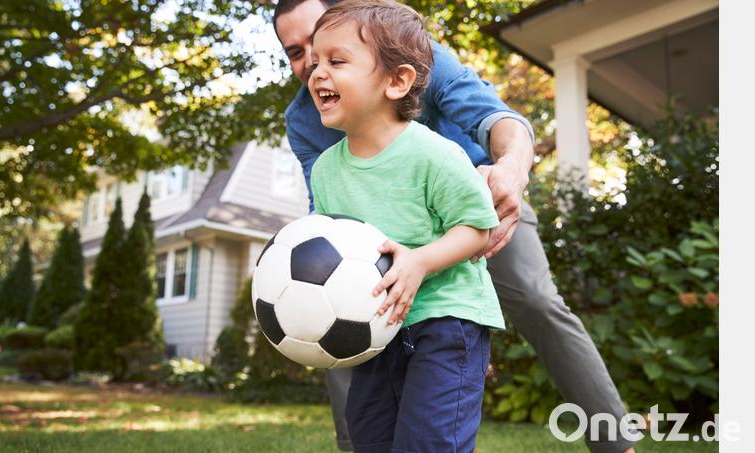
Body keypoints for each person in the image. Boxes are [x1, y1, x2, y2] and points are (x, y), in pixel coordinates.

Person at [273, 1, 637, 452]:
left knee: (536, 300)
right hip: (385, 242)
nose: (310, 61)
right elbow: (327, 221)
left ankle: (615, 442)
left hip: (475, 202)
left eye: (320, 40)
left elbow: (496, 118)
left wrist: (511, 170)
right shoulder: (303, 119)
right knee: (337, 308)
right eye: (295, 51)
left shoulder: (408, 52)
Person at [307, 2, 503, 451]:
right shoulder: (325, 171)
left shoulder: (434, 155)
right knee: (371, 439)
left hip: (446, 322)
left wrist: (419, 262)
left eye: (336, 61)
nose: (318, 73)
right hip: (374, 331)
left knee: (428, 443)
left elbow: (478, 229)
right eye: (315, 61)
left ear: (397, 81)